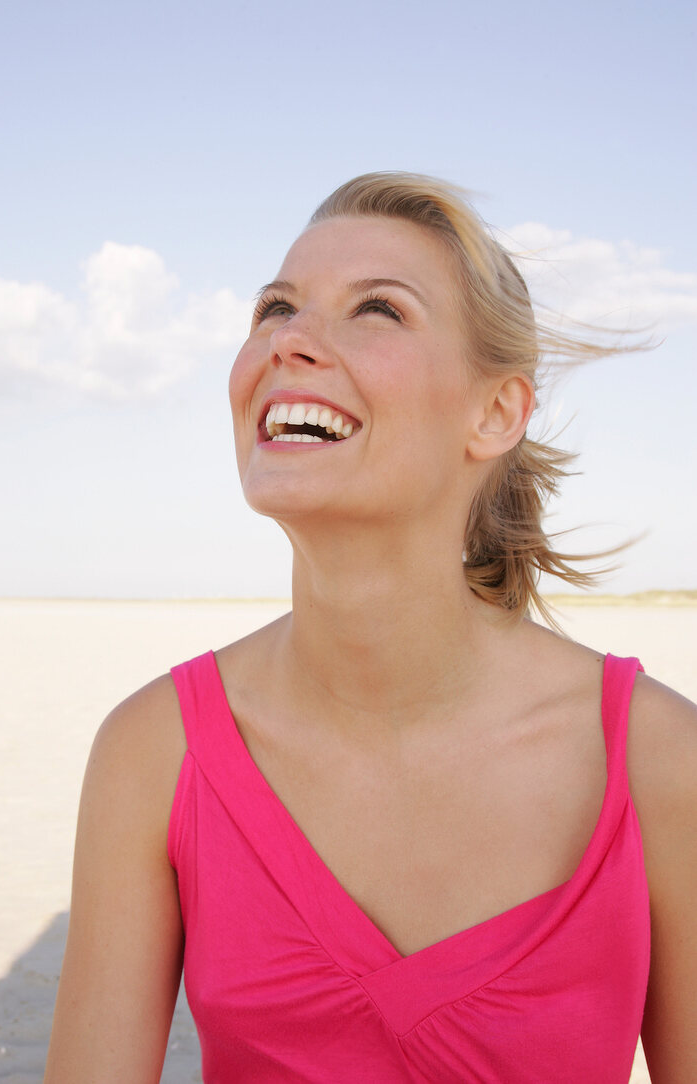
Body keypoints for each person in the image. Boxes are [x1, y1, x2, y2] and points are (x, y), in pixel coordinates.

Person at [45, 173, 697, 1083]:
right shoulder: (152, 753)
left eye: (378, 310)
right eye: (275, 306)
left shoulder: (658, 759)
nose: (288, 341)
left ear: (494, 412)